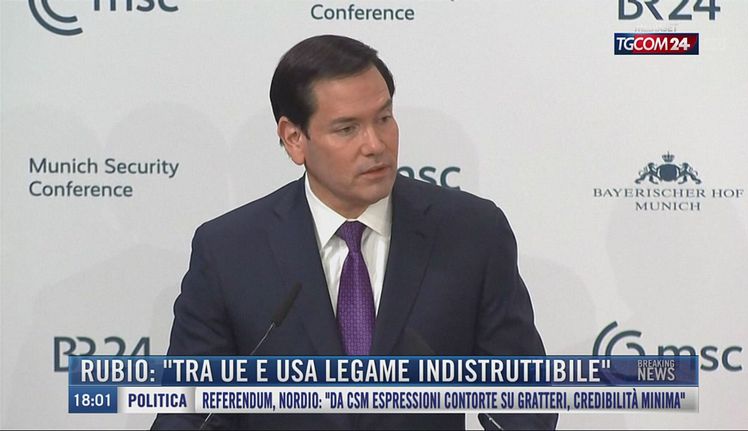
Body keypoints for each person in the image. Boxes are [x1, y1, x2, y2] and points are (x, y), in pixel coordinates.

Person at [152, 34, 557, 430]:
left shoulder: (472, 233)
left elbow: (524, 397)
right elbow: (189, 409)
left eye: (384, 118)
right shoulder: (229, 250)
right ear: (294, 139)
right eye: (347, 129)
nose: (375, 144)